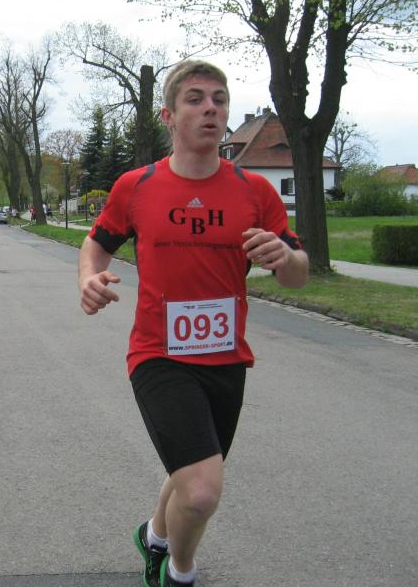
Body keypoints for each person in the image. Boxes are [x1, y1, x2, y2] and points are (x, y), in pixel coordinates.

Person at [77, 59, 309, 587]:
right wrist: (88, 277)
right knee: (202, 490)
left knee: (193, 467)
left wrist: (286, 257)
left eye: (219, 99)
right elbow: (96, 243)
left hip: (226, 359)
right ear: (169, 115)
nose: (211, 109)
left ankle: (154, 535)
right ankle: (179, 571)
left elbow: (297, 275)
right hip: (158, 356)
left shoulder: (256, 192)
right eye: (196, 99)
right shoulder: (137, 186)